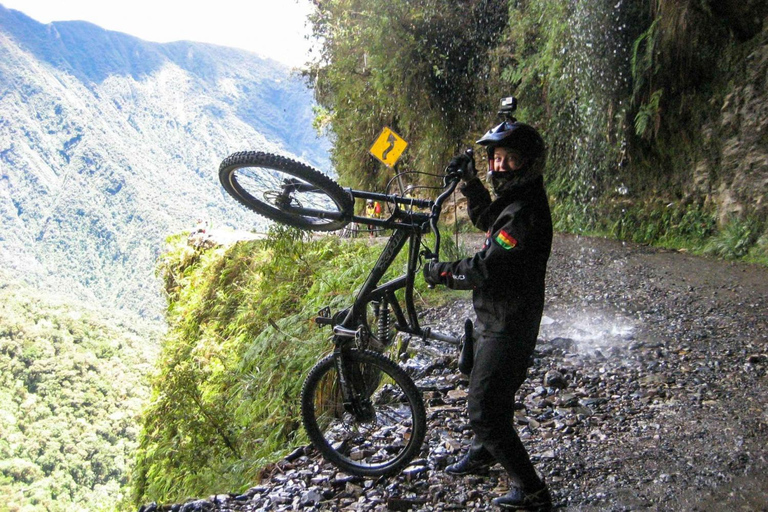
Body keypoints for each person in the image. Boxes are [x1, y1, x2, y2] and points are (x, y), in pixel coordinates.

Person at [423, 113, 553, 510]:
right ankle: (484, 451)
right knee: (474, 372)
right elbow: (488, 218)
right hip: (496, 315)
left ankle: (531, 490)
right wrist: (471, 183)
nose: (499, 165)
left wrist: (442, 272)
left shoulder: (525, 214)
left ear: (527, 162)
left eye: (508, 159)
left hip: (508, 323)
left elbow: (485, 268)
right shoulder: (516, 202)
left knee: (485, 409)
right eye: (494, 158)